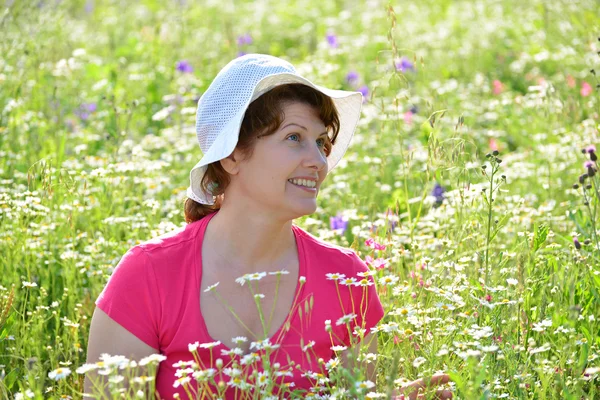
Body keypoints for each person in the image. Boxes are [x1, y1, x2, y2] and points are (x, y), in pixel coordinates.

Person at [85, 54, 452, 399]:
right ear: (230, 156)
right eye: (294, 138)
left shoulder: (347, 281)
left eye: (321, 142)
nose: (319, 162)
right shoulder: (149, 275)